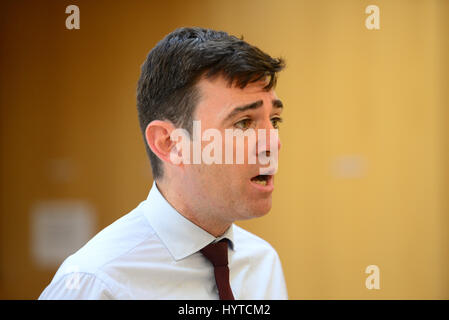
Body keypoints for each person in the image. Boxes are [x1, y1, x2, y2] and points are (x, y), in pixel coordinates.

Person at [39, 27, 287, 300]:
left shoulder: (264, 264)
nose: (272, 143)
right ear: (169, 143)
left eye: (274, 121)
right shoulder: (95, 282)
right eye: (243, 123)